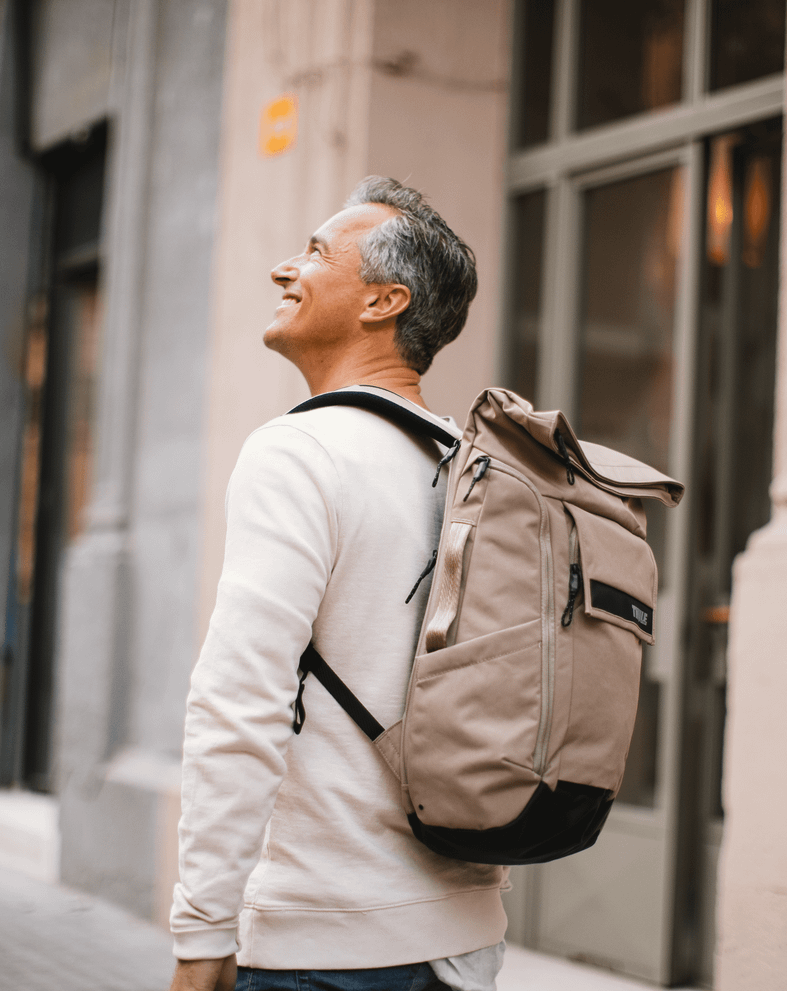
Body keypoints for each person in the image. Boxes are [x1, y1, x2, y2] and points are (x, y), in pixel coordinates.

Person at [169, 177, 509, 991]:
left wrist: (202, 930)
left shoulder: (300, 452)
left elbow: (237, 704)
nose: (286, 268)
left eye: (318, 252)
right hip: (463, 942)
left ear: (382, 302)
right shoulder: (473, 467)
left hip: (329, 947)